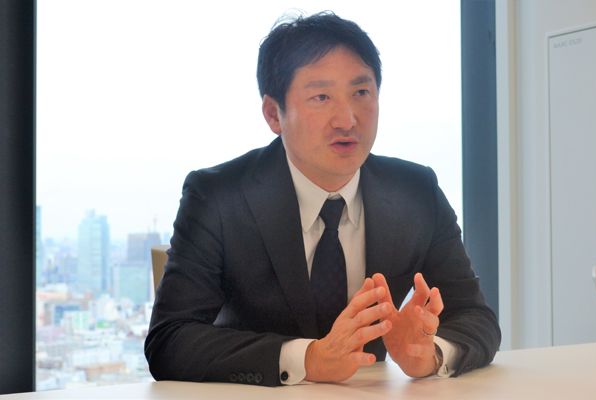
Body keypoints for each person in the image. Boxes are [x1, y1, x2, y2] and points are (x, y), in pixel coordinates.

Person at [144, 11, 501, 387]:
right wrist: (308, 359)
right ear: (273, 114)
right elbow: (169, 341)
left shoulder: (415, 192)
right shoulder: (219, 197)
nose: (347, 119)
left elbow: (476, 318)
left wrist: (429, 353)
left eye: (361, 93)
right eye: (321, 97)